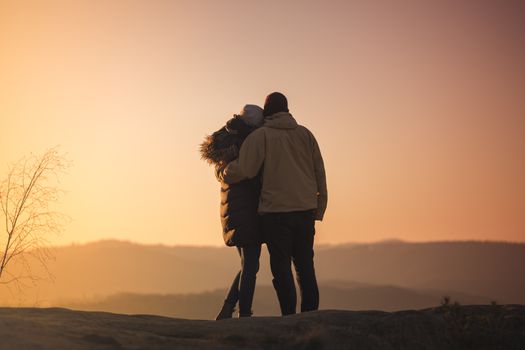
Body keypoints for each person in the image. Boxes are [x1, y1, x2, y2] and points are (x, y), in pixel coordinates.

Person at [219, 92, 327, 315]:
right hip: (306, 209)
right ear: (287, 110)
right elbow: (320, 173)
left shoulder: (262, 136)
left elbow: (245, 169)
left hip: (276, 213)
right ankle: (310, 319)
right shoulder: (306, 135)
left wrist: (223, 171)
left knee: (281, 268)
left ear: (268, 112)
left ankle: (288, 317)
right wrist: (320, 207)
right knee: (306, 267)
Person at [200, 105, 265, 319]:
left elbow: (224, 172)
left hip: (233, 209)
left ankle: (228, 308)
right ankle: (243, 314)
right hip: (246, 208)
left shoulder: (227, 140)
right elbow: (248, 172)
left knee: (249, 264)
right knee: (250, 265)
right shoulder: (247, 142)